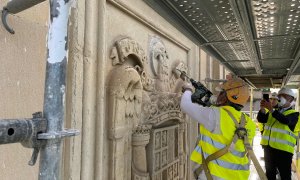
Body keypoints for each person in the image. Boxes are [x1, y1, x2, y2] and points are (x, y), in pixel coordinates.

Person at [180, 77, 256, 180]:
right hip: (238, 176)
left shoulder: (215, 115)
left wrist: (188, 89)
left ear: (226, 97)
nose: (217, 95)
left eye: (221, 93)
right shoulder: (249, 122)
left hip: (213, 176)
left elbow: (185, 105)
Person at [257, 88, 299, 180]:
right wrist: (263, 109)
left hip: (284, 151)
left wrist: (271, 109)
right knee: (269, 174)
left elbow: (285, 120)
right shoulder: (273, 111)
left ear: (291, 100)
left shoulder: (294, 114)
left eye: (284, 96)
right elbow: (262, 119)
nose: (280, 98)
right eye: (279, 96)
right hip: (268, 148)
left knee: (285, 175)